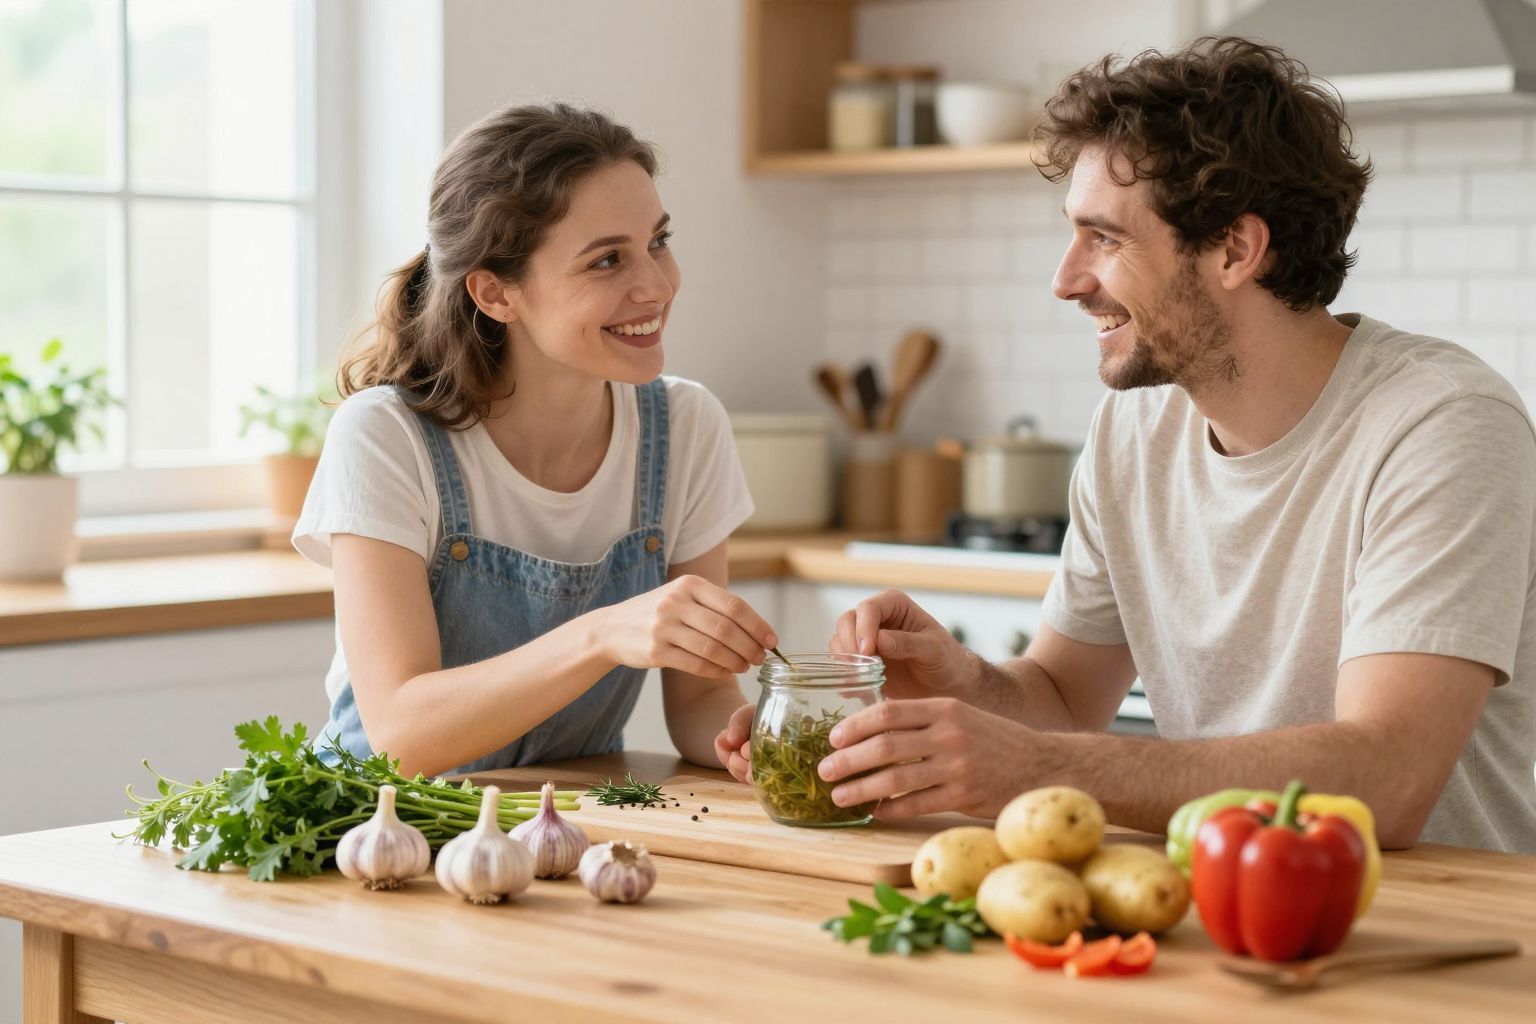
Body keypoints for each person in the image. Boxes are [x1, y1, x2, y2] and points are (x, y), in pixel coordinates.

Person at [718, 37, 1536, 853]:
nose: (1066, 279)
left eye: (1103, 239)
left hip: (1445, 936)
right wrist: (962, 685)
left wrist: (1042, 768)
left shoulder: (1442, 425)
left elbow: (1386, 779)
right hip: (1220, 909)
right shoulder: (1137, 427)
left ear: (1234, 249)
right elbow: (1063, 701)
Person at [294, 102, 777, 778]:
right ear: (496, 294)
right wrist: (604, 632)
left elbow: (699, 695)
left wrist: (759, 742)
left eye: (658, 242)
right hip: (377, 833)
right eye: (607, 260)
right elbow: (403, 734)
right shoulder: (387, 437)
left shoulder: (685, 428)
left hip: (555, 826)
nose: (657, 285)